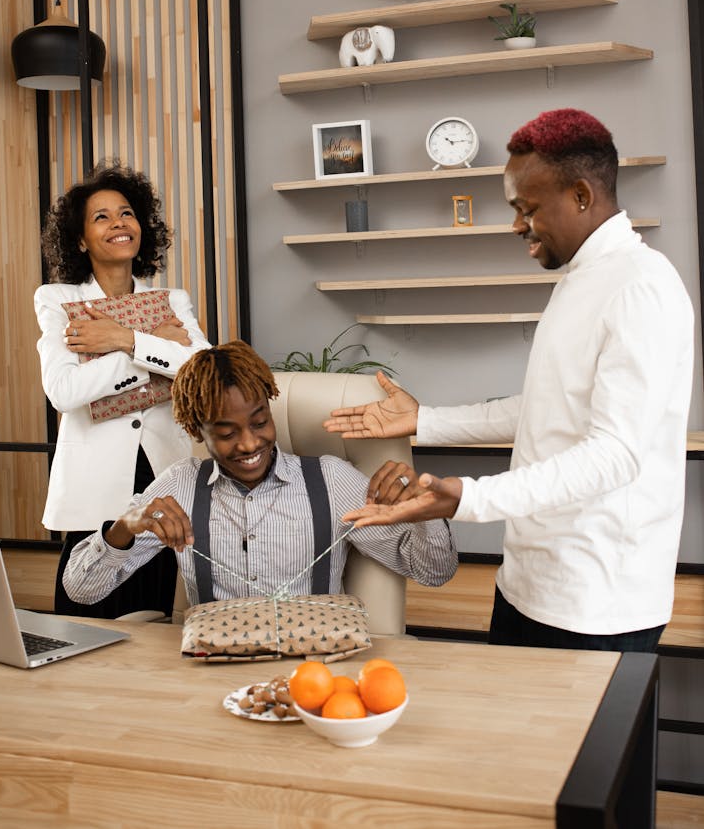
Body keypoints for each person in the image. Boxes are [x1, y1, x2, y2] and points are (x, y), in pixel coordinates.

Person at [327, 108, 694, 653]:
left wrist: (464, 498)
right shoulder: (581, 280)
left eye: (527, 208)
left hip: (595, 603)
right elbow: (547, 407)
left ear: (581, 196)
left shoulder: (641, 288)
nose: (516, 225)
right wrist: (425, 421)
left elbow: (616, 453)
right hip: (528, 585)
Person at [62, 340, 457, 608]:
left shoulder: (332, 480)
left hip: (313, 672)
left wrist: (425, 509)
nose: (250, 444)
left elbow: (434, 572)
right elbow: (82, 591)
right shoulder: (180, 484)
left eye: (259, 422)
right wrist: (126, 526)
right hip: (211, 676)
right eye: (227, 432)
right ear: (194, 431)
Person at [36, 160, 210, 618]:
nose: (118, 223)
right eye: (101, 217)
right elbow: (64, 391)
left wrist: (122, 340)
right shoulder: (59, 300)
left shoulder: (173, 300)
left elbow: (202, 370)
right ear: (80, 239)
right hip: (92, 478)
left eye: (127, 213)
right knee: (82, 610)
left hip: (162, 470)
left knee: (150, 615)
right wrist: (151, 357)